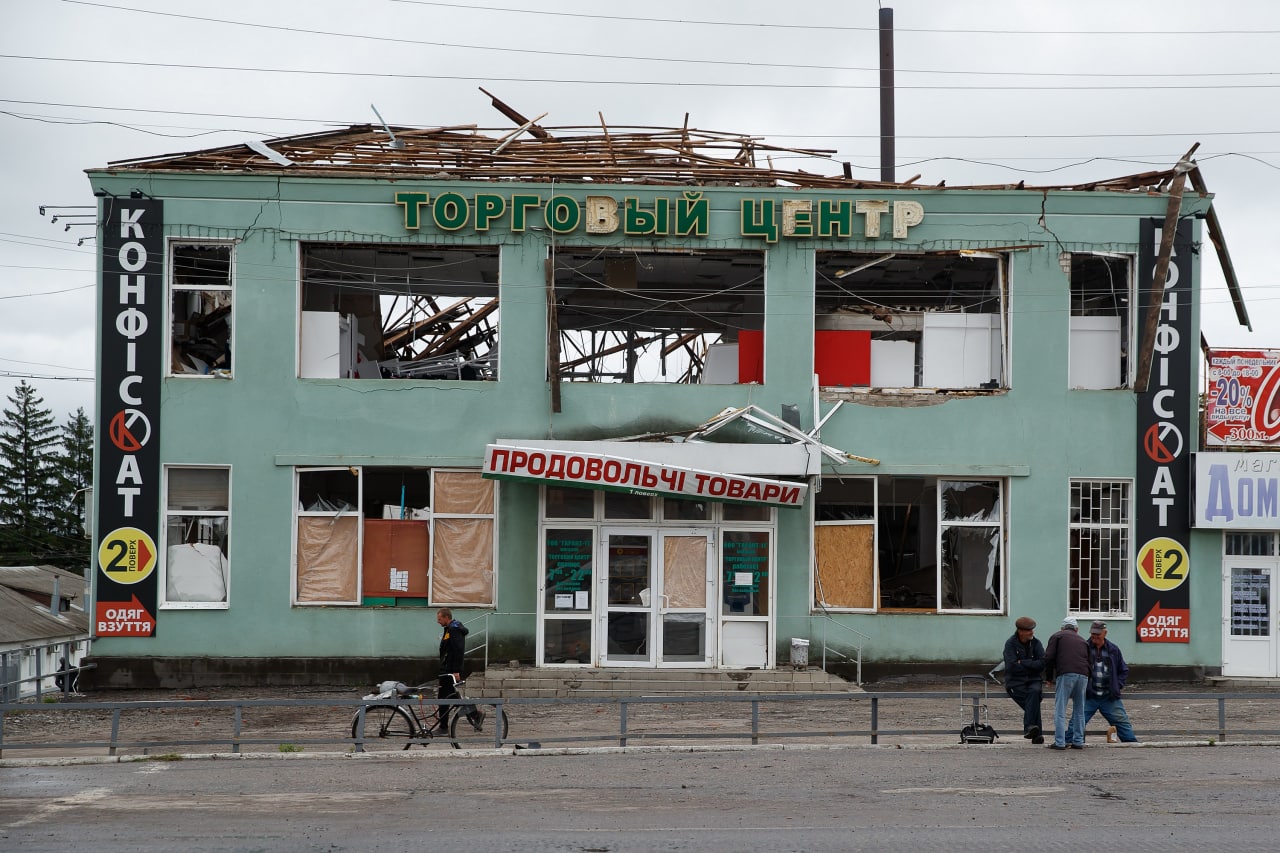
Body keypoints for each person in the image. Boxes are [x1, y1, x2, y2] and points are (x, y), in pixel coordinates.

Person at [1083, 620, 1139, 743]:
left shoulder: (1113, 649)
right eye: (1093, 633)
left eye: (1098, 633)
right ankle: (1073, 743)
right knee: (1077, 723)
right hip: (1089, 695)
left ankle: (1132, 746)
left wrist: (1117, 686)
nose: (1094, 636)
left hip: (1109, 696)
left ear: (1105, 633)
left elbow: (1123, 670)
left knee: (1122, 723)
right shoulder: (1084, 647)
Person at [1043, 615, 1089, 750]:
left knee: (1060, 709)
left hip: (1066, 673)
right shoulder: (1082, 640)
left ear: (1062, 628)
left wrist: (1049, 678)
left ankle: (1060, 742)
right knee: (1080, 710)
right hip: (1083, 675)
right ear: (1077, 629)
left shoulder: (1057, 636)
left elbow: (1049, 657)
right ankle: (1078, 741)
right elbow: (1089, 660)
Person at [435, 608, 484, 733]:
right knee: (452, 697)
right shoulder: (449, 629)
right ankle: (475, 714)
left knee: (444, 698)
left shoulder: (453, 629)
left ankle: (443, 727)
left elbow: (458, 650)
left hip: (450, 670)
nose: (438, 622)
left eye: (439, 619)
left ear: (446, 617)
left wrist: (456, 670)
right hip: (447, 669)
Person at [1002, 616, 1045, 744]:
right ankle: (1036, 734)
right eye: (1029, 630)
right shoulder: (1010, 644)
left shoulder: (1036, 643)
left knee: (1034, 692)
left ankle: (1030, 728)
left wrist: (1023, 663)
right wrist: (1031, 665)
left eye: (1032, 630)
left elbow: (1042, 664)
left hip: (1034, 680)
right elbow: (1011, 666)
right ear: (1020, 631)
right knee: (1033, 701)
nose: (1032, 632)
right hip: (1015, 681)